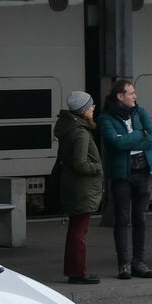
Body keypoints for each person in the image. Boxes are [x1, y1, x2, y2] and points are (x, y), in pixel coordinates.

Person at [99, 78, 152, 280]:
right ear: (120, 96)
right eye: (131, 93)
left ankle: (139, 262)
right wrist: (139, 135)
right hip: (122, 175)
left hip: (143, 170)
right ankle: (123, 264)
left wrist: (133, 139)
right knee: (122, 219)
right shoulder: (106, 117)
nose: (135, 96)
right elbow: (115, 144)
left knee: (140, 219)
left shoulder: (140, 112)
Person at [55, 90, 104, 284]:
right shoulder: (81, 133)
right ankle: (79, 272)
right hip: (82, 189)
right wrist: (99, 168)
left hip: (74, 186)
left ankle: (74, 270)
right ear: (83, 110)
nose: (93, 108)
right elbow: (80, 163)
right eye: (90, 106)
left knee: (75, 231)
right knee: (79, 233)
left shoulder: (68, 128)